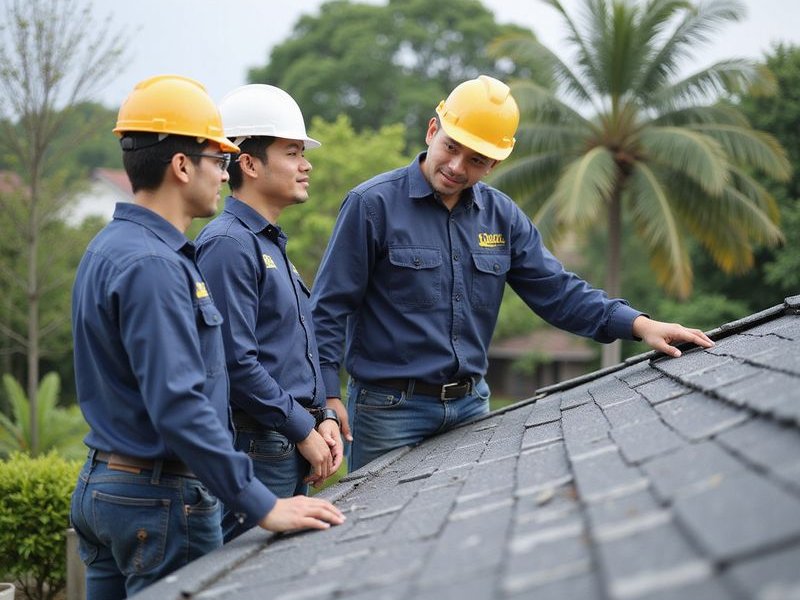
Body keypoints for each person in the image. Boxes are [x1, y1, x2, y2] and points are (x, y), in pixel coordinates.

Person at [311, 75, 715, 472]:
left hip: (472, 407)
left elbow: (558, 293)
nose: (456, 166)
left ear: (495, 162)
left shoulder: (501, 217)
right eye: (451, 147)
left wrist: (641, 325)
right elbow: (329, 308)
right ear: (433, 130)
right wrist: (329, 397)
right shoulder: (371, 206)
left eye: (476, 159)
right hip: (389, 412)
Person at [69, 75, 344, 599]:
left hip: (106, 486)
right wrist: (261, 502)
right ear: (180, 166)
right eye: (218, 162)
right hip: (159, 498)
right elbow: (178, 403)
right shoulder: (154, 264)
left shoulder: (111, 246)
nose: (224, 174)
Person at [196, 84, 342, 542]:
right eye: (293, 152)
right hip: (260, 449)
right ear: (249, 162)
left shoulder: (265, 242)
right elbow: (236, 362)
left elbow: (292, 347)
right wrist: (303, 428)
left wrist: (324, 419)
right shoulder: (228, 245)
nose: (306, 164)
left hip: (285, 443)